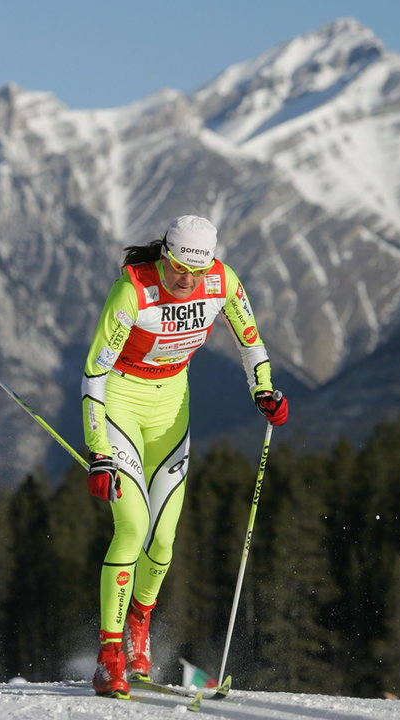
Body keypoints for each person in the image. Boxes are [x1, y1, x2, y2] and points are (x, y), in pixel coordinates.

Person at [81, 215, 288, 698]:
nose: (186, 280)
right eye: (177, 268)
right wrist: (99, 452)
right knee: (132, 526)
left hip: (172, 407)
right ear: (164, 255)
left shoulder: (222, 281)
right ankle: (109, 654)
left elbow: (250, 342)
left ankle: (138, 626)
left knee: (165, 538)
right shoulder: (133, 290)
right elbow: (93, 373)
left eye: (196, 272)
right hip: (121, 404)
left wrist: (264, 391)